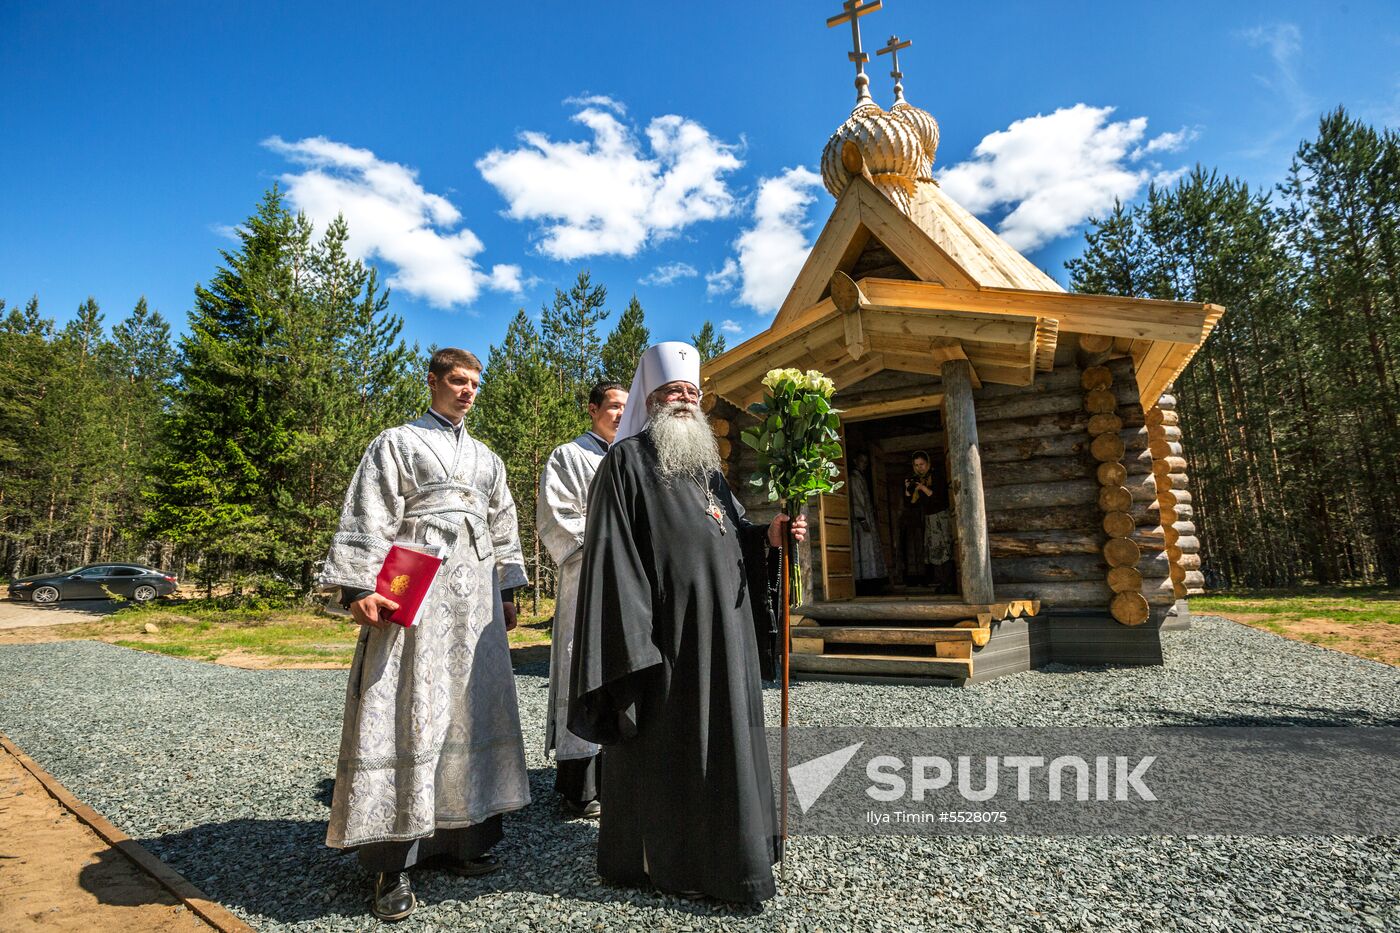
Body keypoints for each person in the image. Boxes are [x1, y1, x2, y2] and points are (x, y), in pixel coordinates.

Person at [568, 341, 807, 904]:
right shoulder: (624, 462)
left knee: (726, 743)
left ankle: (734, 850)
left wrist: (769, 537)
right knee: (675, 746)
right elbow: (613, 557)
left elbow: (735, 532)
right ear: (650, 400)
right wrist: (636, 644)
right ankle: (670, 861)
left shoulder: (706, 468)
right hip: (668, 640)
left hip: (725, 635)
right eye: (674, 391)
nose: (685, 400)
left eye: (693, 392)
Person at [318, 348, 531, 922]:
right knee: (406, 702)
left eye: (474, 384)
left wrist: (508, 590)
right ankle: (395, 862)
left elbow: (504, 522)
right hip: (415, 590)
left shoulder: (488, 457)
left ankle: (465, 840)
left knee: (469, 710)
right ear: (433, 381)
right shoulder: (397, 442)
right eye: (457, 381)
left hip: (475, 601)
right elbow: (369, 511)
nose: (467, 391)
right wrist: (359, 584)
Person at [535, 380, 628, 819]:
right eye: (612, 406)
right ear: (593, 410)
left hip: (630, 587)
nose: (620, 415)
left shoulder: (632, 458)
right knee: (582, 667)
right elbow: (557, 518)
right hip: (587, 578)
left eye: (627, 408)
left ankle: (621, 775)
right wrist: (612, 546)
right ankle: (580, 785)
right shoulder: (568, 456)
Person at [848, 450, 888, 595]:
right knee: (864, 548)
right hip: (861, 520)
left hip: (867, 517)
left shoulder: (861, 477)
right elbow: (857, 501)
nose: (864, 465)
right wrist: (862, 519)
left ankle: (872, 581)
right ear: (855, 461)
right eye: (861, 461)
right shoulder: (854, 478)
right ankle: (864, 582)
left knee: (869, 548)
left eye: (866, 462)